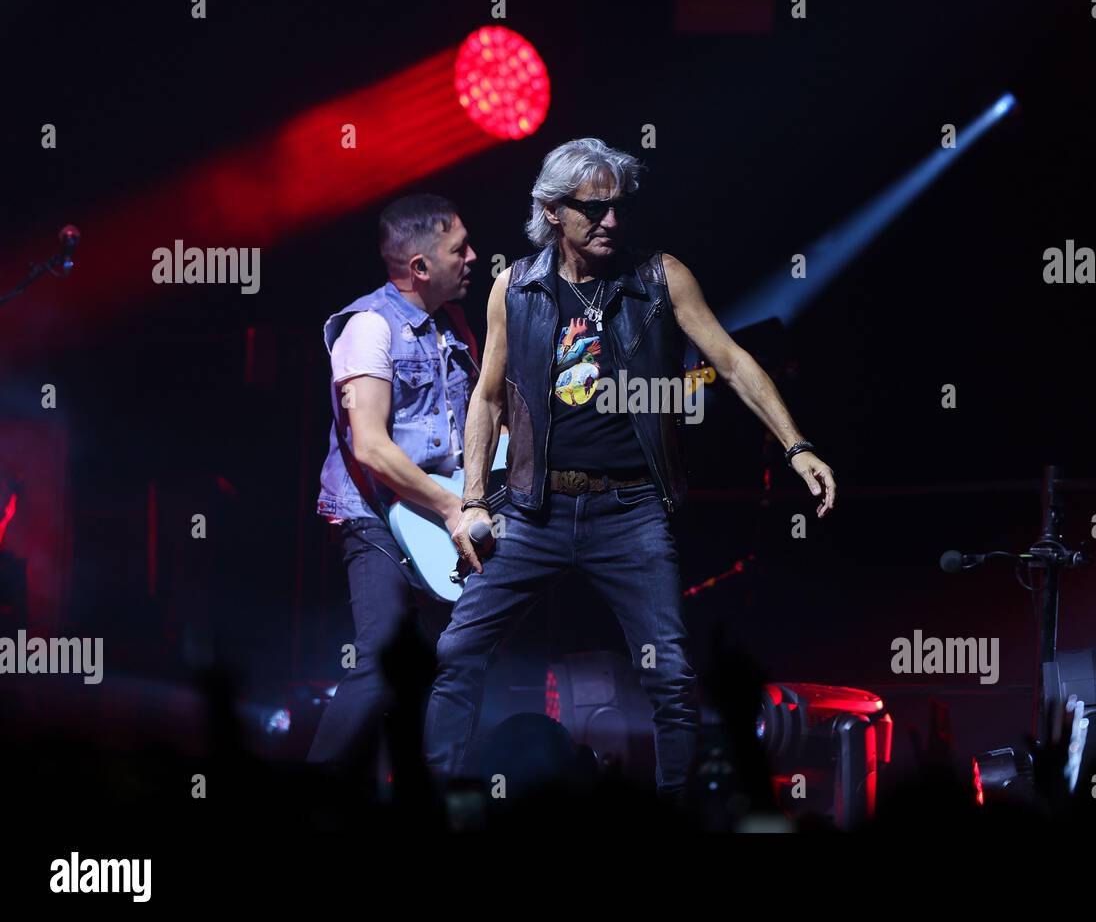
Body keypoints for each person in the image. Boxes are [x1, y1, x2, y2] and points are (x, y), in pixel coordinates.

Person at [426, 138, 836, 801]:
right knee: (454, 653)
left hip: (632, 511)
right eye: (594, 208)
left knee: (671, 679)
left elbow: (730, 361)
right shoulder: (516, 286)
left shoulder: (659, 277)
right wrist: (474, 500)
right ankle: (440, 804)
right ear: (553, 211)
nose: (612, 221)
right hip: (534, 510)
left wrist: (797, 445)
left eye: (619, 206)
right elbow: (487, 396)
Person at [308, 193, 480, 772]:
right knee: (382, 657)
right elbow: (372, 448)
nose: (474, 257)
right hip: (373, 514)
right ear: (420, 267)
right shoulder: (368, 327)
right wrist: (453, 508)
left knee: (444, 665)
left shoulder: (453, 325)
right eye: (460, 249)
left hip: (435, 516)